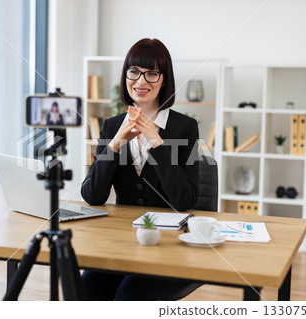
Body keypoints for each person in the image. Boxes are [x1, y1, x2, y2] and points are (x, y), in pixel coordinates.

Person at [80, 38, 200, 300]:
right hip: (121, 243)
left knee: (128, 296)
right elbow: (92, 196)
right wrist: (113, 145)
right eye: (134, 72)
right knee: (86, 288)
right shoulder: (112, 127)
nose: (141, 81)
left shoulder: (185, 128)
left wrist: (157, 143)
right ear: (125, 76)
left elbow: (185, 200)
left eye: (152, 73)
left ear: (164, 80)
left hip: (169, 244)